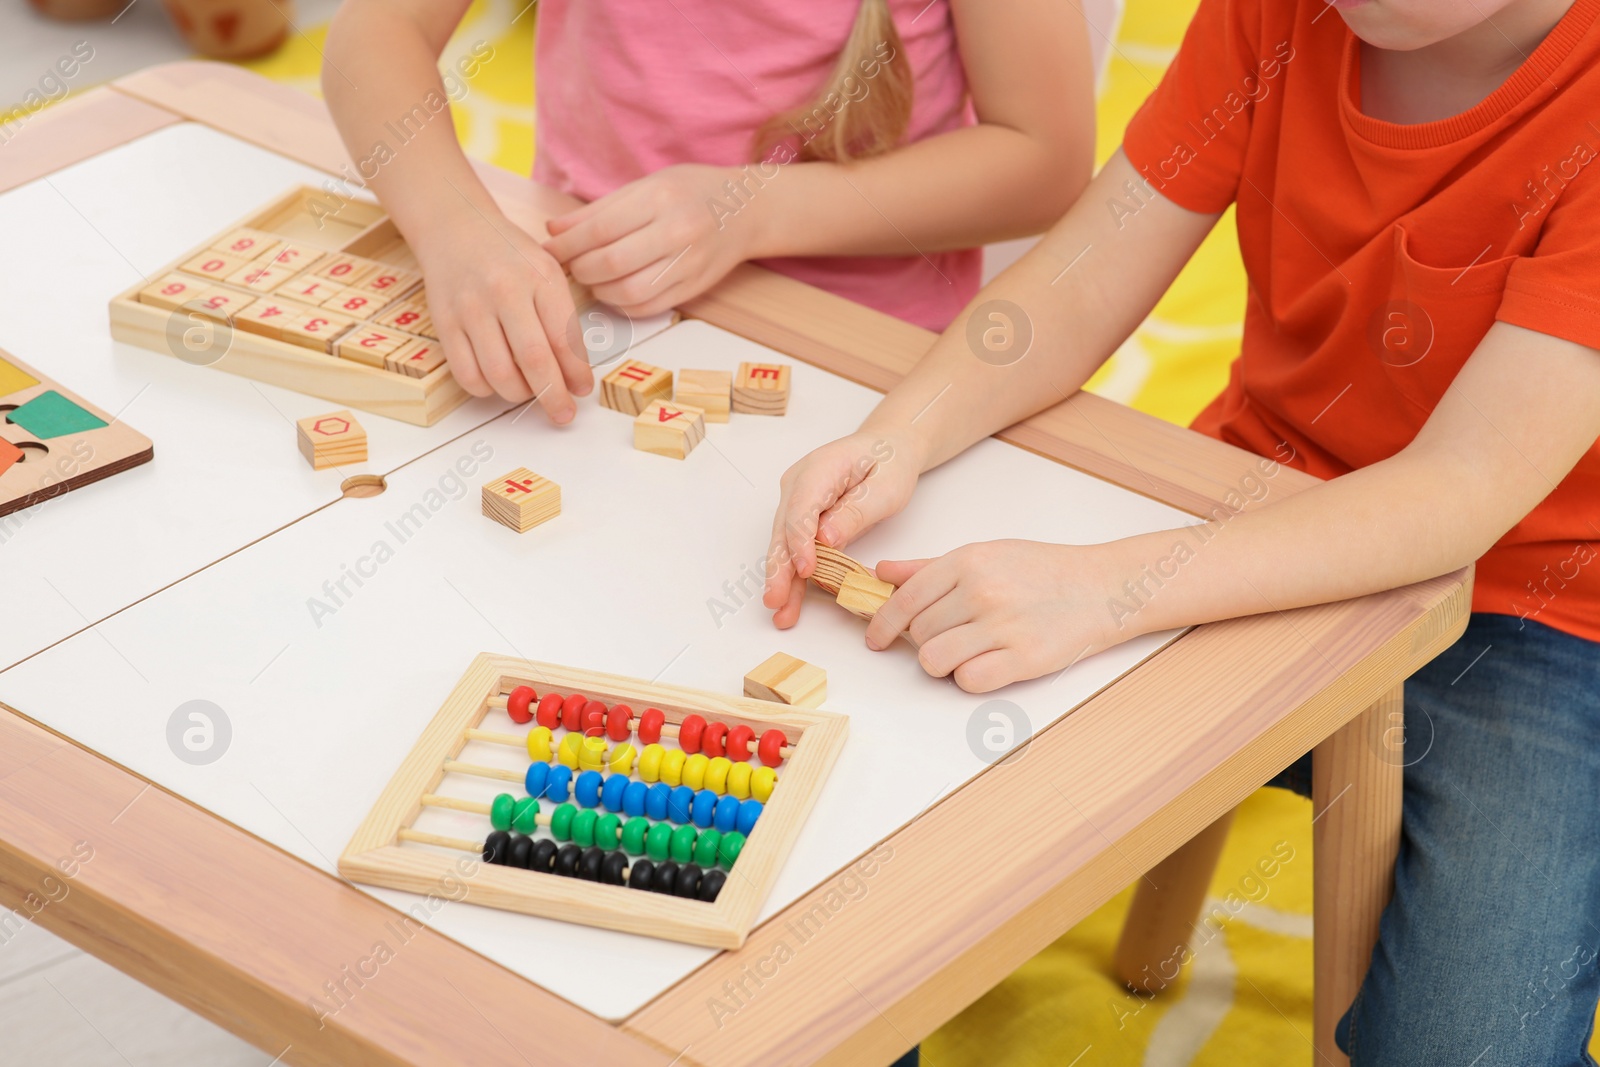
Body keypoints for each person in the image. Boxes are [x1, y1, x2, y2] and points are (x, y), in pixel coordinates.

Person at [765, 0, 1600, 1061]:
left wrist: (1105, 589)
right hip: (1246, 502)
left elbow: (1461, 490)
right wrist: (898, 434)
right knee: (854, 824)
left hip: (1540, 609)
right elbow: (1081, 279)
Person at [323, 0, 1097, 424]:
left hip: (867, 373)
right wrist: (457, 226)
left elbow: (1046, 157)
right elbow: (377, 31)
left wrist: (750, 212)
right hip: (585, 319)